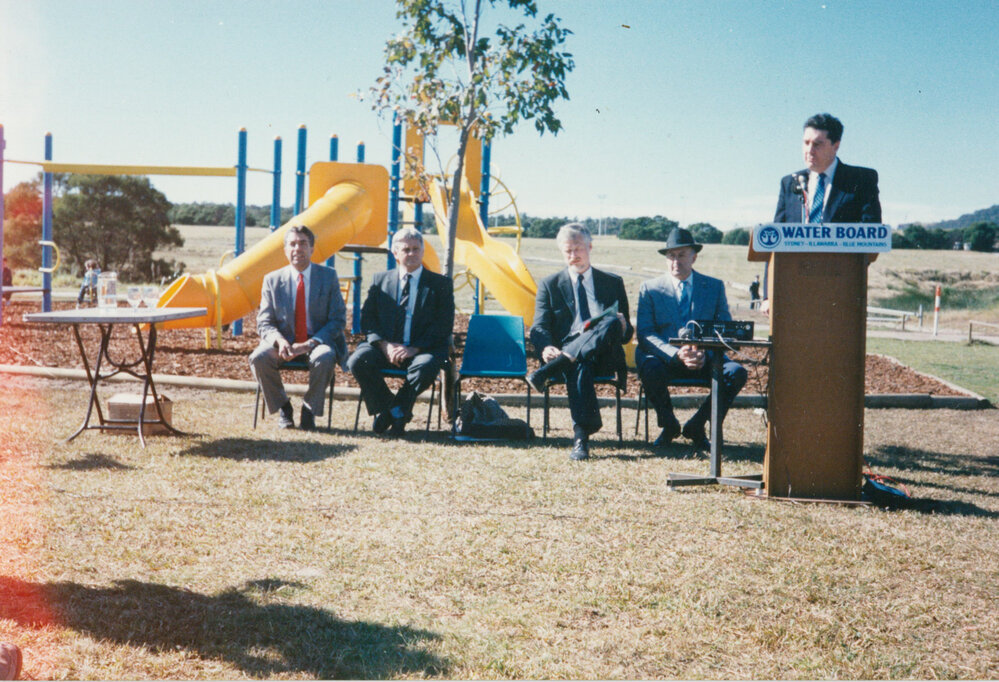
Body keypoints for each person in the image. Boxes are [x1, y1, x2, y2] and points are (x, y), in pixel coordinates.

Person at [527, 223, 633, 461]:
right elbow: (539, 327)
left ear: (590, 247)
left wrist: (624, 326)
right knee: (578, 362)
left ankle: (561, 363)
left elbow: (625, 334)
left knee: (612, 322)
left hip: (605, 353)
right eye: (567, 251)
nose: (573, 256)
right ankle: (581, 438)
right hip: (570, 349)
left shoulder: (613, 282)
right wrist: (545, 347)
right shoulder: (549, 284)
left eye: (578, 249)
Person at [635, 228, 747, 450]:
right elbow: (645, 333)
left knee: (736, 372)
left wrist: (704, 352)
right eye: (671, 256)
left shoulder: (713, 287)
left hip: (706, 359)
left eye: (681, 255)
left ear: (694, 257)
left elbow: (725, 328)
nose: (676, 261)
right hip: (665, 360)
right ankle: (669, 425)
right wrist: (676, 354)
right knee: (648, 365)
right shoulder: (650, 289)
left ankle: (697, 424)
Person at [762, 112, 882, 310]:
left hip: (839, 292)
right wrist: (768, 295)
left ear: (836, 145)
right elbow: (775, 241)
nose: (809, 150)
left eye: (817, 144)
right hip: (791, 291)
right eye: (806, 142)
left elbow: (871, 237)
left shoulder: (861, 180)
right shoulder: (790, 183)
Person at [347, 226, 454, 437]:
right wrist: (385, 345)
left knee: (425, 368)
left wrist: (414, 348)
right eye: (406, 249)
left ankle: (394, 411)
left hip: (423, 349)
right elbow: (368, 319)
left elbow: (443, 325)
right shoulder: (380, 280)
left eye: (416, 249)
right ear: (395, 253)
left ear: (423, 251)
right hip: (385, 347)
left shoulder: (440, 284)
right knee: (357, 361)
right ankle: (393, 410)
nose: (412, 254)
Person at [249, 225, 347, 430]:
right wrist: (280, 341)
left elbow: (338, 319)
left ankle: (309, 409)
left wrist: (311, 343)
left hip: (316, 341)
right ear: (285, 250)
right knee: (258, 357)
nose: (298, 249)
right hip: (282, 343)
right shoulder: (272, 280)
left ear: (312, 248)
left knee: (325, 356)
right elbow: (264, 321)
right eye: (292, 244)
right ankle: (283, 406)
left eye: (303, 243)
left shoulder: (328, 277)